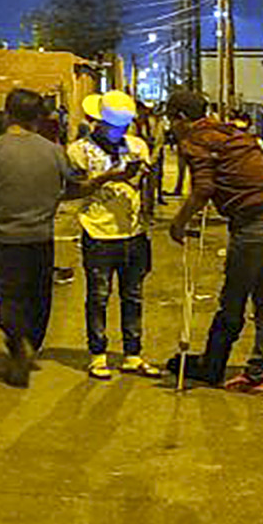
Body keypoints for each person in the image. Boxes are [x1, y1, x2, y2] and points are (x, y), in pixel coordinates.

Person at [0, 88, 127, 386]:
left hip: (1, 239)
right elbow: (73, 189)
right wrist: (105, 179)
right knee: (37, 297)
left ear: (8, 114)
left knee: (7, 297)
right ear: (39, 118)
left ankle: (17, 341)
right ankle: (31, 341)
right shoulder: (54, 151)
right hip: (40, 238)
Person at [165, 89, 263, 394]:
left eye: (172, 120)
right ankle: (259, 373)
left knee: (233, 300)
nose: (171, 126)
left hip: (255, 228)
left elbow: (203, 188)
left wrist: (178, 223)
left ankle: (212, 366)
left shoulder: (195, 140)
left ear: (182, 118)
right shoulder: (233, 134)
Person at [67, 90, 159, 381]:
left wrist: (147, 208)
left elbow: (147, 182)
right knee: (99, 296)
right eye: (115, 125)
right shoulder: (78, 151)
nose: (121, 131)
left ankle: (133, 354)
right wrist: (109, 177)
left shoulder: (137, 146)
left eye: (125, 125)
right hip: (98, 232)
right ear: (98, 122)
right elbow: (71, 191)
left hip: (134, 233)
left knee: (133, 295)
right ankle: (98, 355)